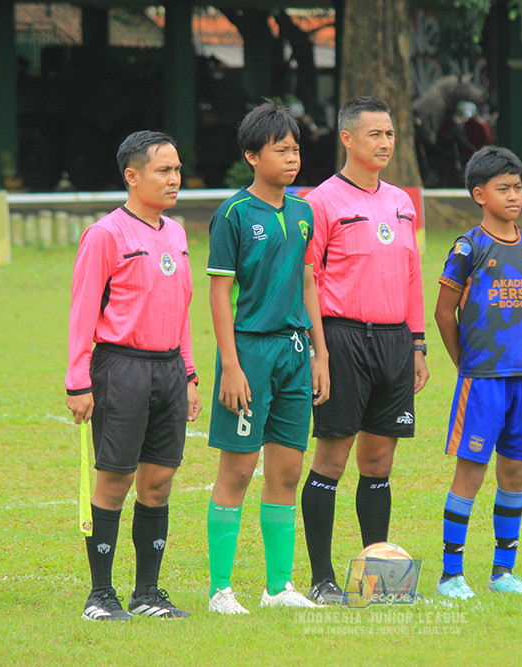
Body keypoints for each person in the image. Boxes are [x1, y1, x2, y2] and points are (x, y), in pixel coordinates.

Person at [65, 130, 201, 621]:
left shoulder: (177, 232)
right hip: (120, 367)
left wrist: (188, 373)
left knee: (159, 481)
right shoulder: (105, 235)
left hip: (168, 369)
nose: (174, 180)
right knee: (115, 479)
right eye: (164, 170)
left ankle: (148, 594)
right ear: (132, 176)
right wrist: (77, 381)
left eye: (178, 170)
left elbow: (182, 308)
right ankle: (100, 595)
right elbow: (82, 313)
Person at [299, 96, 429, 604]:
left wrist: (417, 343)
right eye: (375, 134)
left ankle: (380, 577)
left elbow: (413, 276)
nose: (385, 143)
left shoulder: (402, 201)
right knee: (332, 457)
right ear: (347, 139)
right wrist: (320, 351)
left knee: (379, 462)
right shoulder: (320, 202)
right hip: (343, 338)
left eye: (391, 134)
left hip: (396, 341)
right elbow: (307, 278)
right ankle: (322, 577)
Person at [205, 101, 330, 614]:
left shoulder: (304, 213)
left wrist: (320, 352)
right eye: (281, 150)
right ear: (253, 156)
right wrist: (230, 366)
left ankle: (278, 587)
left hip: (296, 352)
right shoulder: (233, 214)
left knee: (287, 471)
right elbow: (218, 294)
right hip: (250, 351)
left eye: (296, 149)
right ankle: (220, 590)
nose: (292, 158)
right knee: (236, 470)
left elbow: (307, 281)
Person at [433, 146, 522, 599]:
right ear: (480, 194)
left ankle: (503, 571)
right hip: (483, 381)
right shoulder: (469, 246)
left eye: (518, 187)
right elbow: (443, 313)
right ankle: (451, 575)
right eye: (504, 189)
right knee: (471, 473)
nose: (514, 196)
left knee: (515, 473)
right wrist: (467, 365)